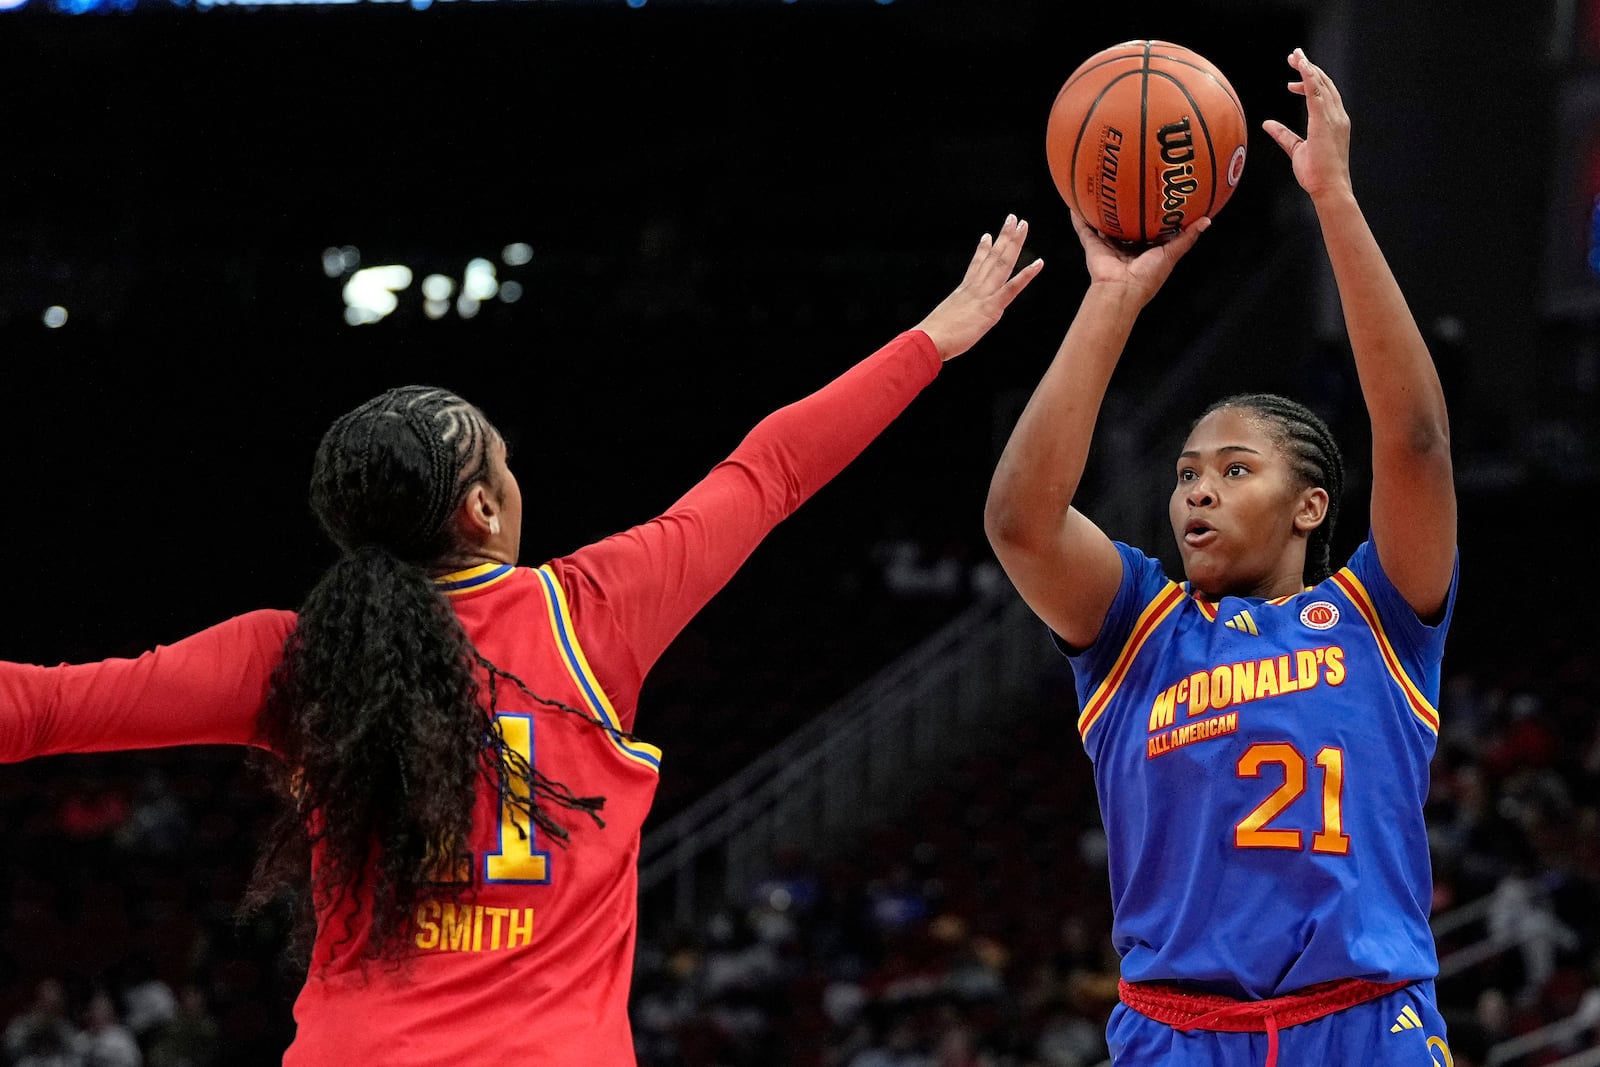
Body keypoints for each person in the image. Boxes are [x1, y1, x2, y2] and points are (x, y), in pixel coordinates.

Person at [0, 218, 1043, 1066]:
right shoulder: (591, 611)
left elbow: (42, 706)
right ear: (484, 511)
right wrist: (935, 337)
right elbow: (766, 472)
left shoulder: (294, 653)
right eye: (502, 461)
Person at [984, 49, 1457, 1067]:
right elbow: (1021, 518)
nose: (1196, 488)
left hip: (1365, 1019)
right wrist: (1112, 294)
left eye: (1236, 468)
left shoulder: (1381, 617)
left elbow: (1414, 440)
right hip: (1176, 1030)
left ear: (1310, 506)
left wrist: (1334, 200)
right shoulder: (1139, 630)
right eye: (1187, 471)